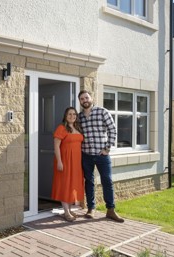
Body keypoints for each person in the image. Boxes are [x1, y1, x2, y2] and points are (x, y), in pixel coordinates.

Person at [78, 89, 124, 223]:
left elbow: (113, 129)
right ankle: (91, 208)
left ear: (91, 98)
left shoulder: (102, 111)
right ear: (80, 102)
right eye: (82, 99)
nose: (85, 100)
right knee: (89, 182)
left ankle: (110, 210)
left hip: (101, 155)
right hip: (86, 154)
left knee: (107, 181)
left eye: (86, 98)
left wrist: (107, 148)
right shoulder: (79, 117)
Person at [51, 107, 85, 222]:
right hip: (65, 161)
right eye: (69, 114)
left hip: (76, 162)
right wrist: (59, 161)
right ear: (65, 116)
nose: (72, 116)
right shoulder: (61, 128)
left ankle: (69, 210)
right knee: (65, 185)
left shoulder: (77, 128)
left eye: (74, 114)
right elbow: (56, 146)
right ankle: (66, 212)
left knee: (72, 186)